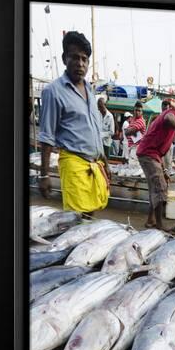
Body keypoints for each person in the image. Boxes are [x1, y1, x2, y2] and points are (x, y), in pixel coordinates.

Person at [38, 31, 110, 215]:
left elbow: (94, 130)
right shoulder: (53, 91)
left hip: (95, 164)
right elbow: (46, 136)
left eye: (85, 59)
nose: (81, 64)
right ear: (64, 58)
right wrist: (44, 174)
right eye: (75, 57)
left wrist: (105, 161)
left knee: (92, 213)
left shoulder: (90, 90)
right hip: (74, 164)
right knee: (77, 220)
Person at [137, 99, 175, 230]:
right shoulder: (172, 113)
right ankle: (160, 225)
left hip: (152, 155)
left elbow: (160, 150)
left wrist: (163, 169)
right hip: (148, 153)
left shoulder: (174, 124)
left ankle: (151, 220)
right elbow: (169, 117)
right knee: (161, 188)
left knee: (154, 188)